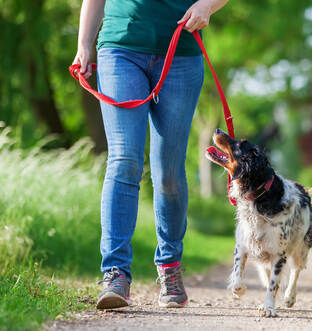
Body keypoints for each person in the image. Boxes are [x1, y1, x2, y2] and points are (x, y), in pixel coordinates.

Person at [72, 0, 229, 309]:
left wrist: (207, 6)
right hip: (120, 48)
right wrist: (84, 45)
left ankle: (170, 267)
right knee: (124, 160)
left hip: (181, 52)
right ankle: (115, 273)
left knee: (168, 172)